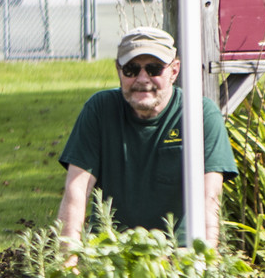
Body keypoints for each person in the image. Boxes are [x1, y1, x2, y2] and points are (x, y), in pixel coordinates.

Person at [56, 26, 237, 244]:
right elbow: (76, 190)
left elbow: (210, 198)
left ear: (174, 71)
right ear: (118, 70)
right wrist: (68, 266)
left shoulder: (200, 115)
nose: (142, 79)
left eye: (154, 69)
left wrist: (204, 263)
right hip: (110, 258)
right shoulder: (99, 110)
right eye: (131, 69)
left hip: (180, 258)